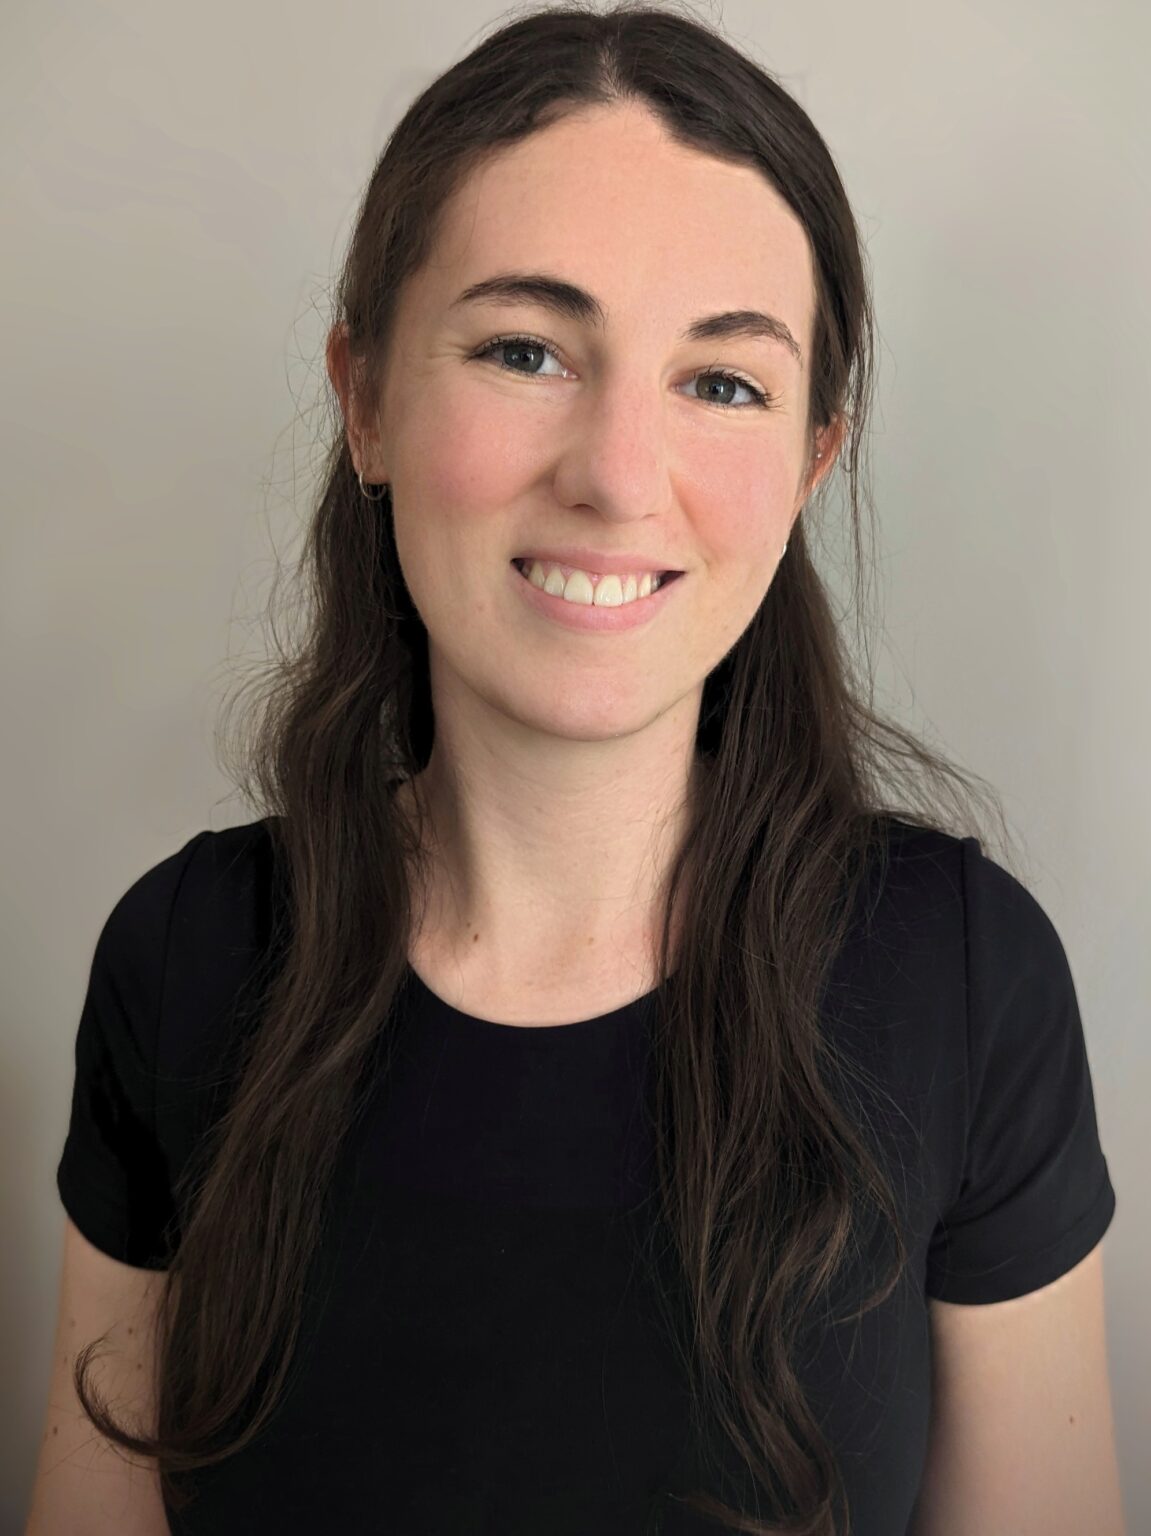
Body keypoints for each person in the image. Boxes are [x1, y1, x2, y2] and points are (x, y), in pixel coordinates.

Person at [26, 5, 1124, 1535]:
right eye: (526, 351)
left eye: (722, 382)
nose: (616, 474)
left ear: (810, 462)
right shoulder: (183, 960)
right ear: (365, 400)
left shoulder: (965, 980)